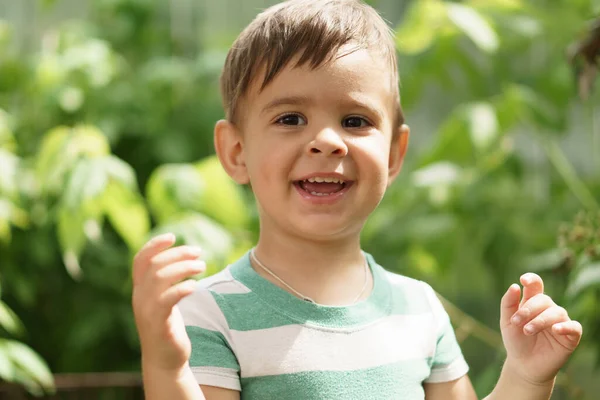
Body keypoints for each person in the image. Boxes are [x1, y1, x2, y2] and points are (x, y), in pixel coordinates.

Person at [131, 0, 583, 399]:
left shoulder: (419, 308)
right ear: (236, 151)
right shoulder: (212, 313)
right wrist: (166, 366)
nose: (327, 141)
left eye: (354, 120)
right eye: (291, 118)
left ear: (393, 153)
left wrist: (525, 377)